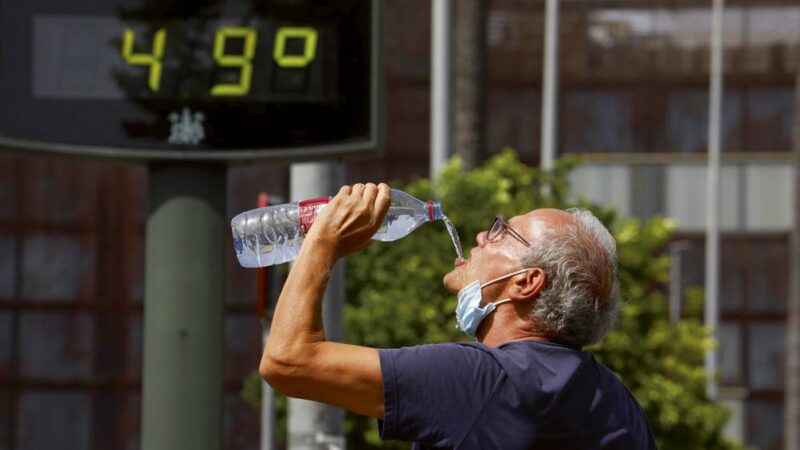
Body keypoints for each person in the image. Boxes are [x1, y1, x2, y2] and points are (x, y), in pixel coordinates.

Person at [260, 183, 658, 449]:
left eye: (503, 232)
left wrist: (323, 241)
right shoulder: (619, 405)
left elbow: (288, 359)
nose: (483, 236)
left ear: (526, 282)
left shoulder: (479, 379)